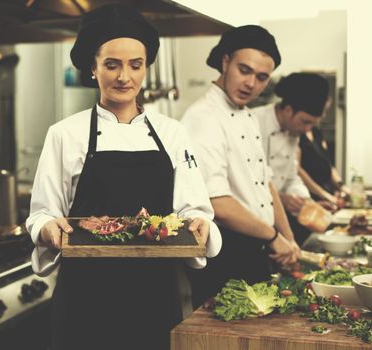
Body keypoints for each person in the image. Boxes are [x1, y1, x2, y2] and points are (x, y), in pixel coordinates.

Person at [26, 4, 222, 350]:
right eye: (111, 65)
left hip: (154, 293)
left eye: (136, 65)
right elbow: (42, 212)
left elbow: (195, 210)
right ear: (93, 67)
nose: (124, 77)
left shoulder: (172, 133)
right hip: (85, 296)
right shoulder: (64, 133)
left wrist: (200, 226)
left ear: (146, 68)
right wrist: (46, 227)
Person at [181, 25, 300, 308]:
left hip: (255, 247)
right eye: (244, 70)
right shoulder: (203, 117)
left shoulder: (246, 115)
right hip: (225, 253)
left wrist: (288, 238)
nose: (251, 84)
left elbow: (265, 182)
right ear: (225, 62)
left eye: (261, 77)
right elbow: (217, 202)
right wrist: (274, 237)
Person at [253, 72, 331, 244]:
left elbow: (291, 177)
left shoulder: (293, 132)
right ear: (288, 110)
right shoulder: (253, 122)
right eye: (305, 122)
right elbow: (249, 182)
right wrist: (281, 198)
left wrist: (307, 203)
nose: (307, 129)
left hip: (278, 219)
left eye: (312, 124)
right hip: (252, 221)